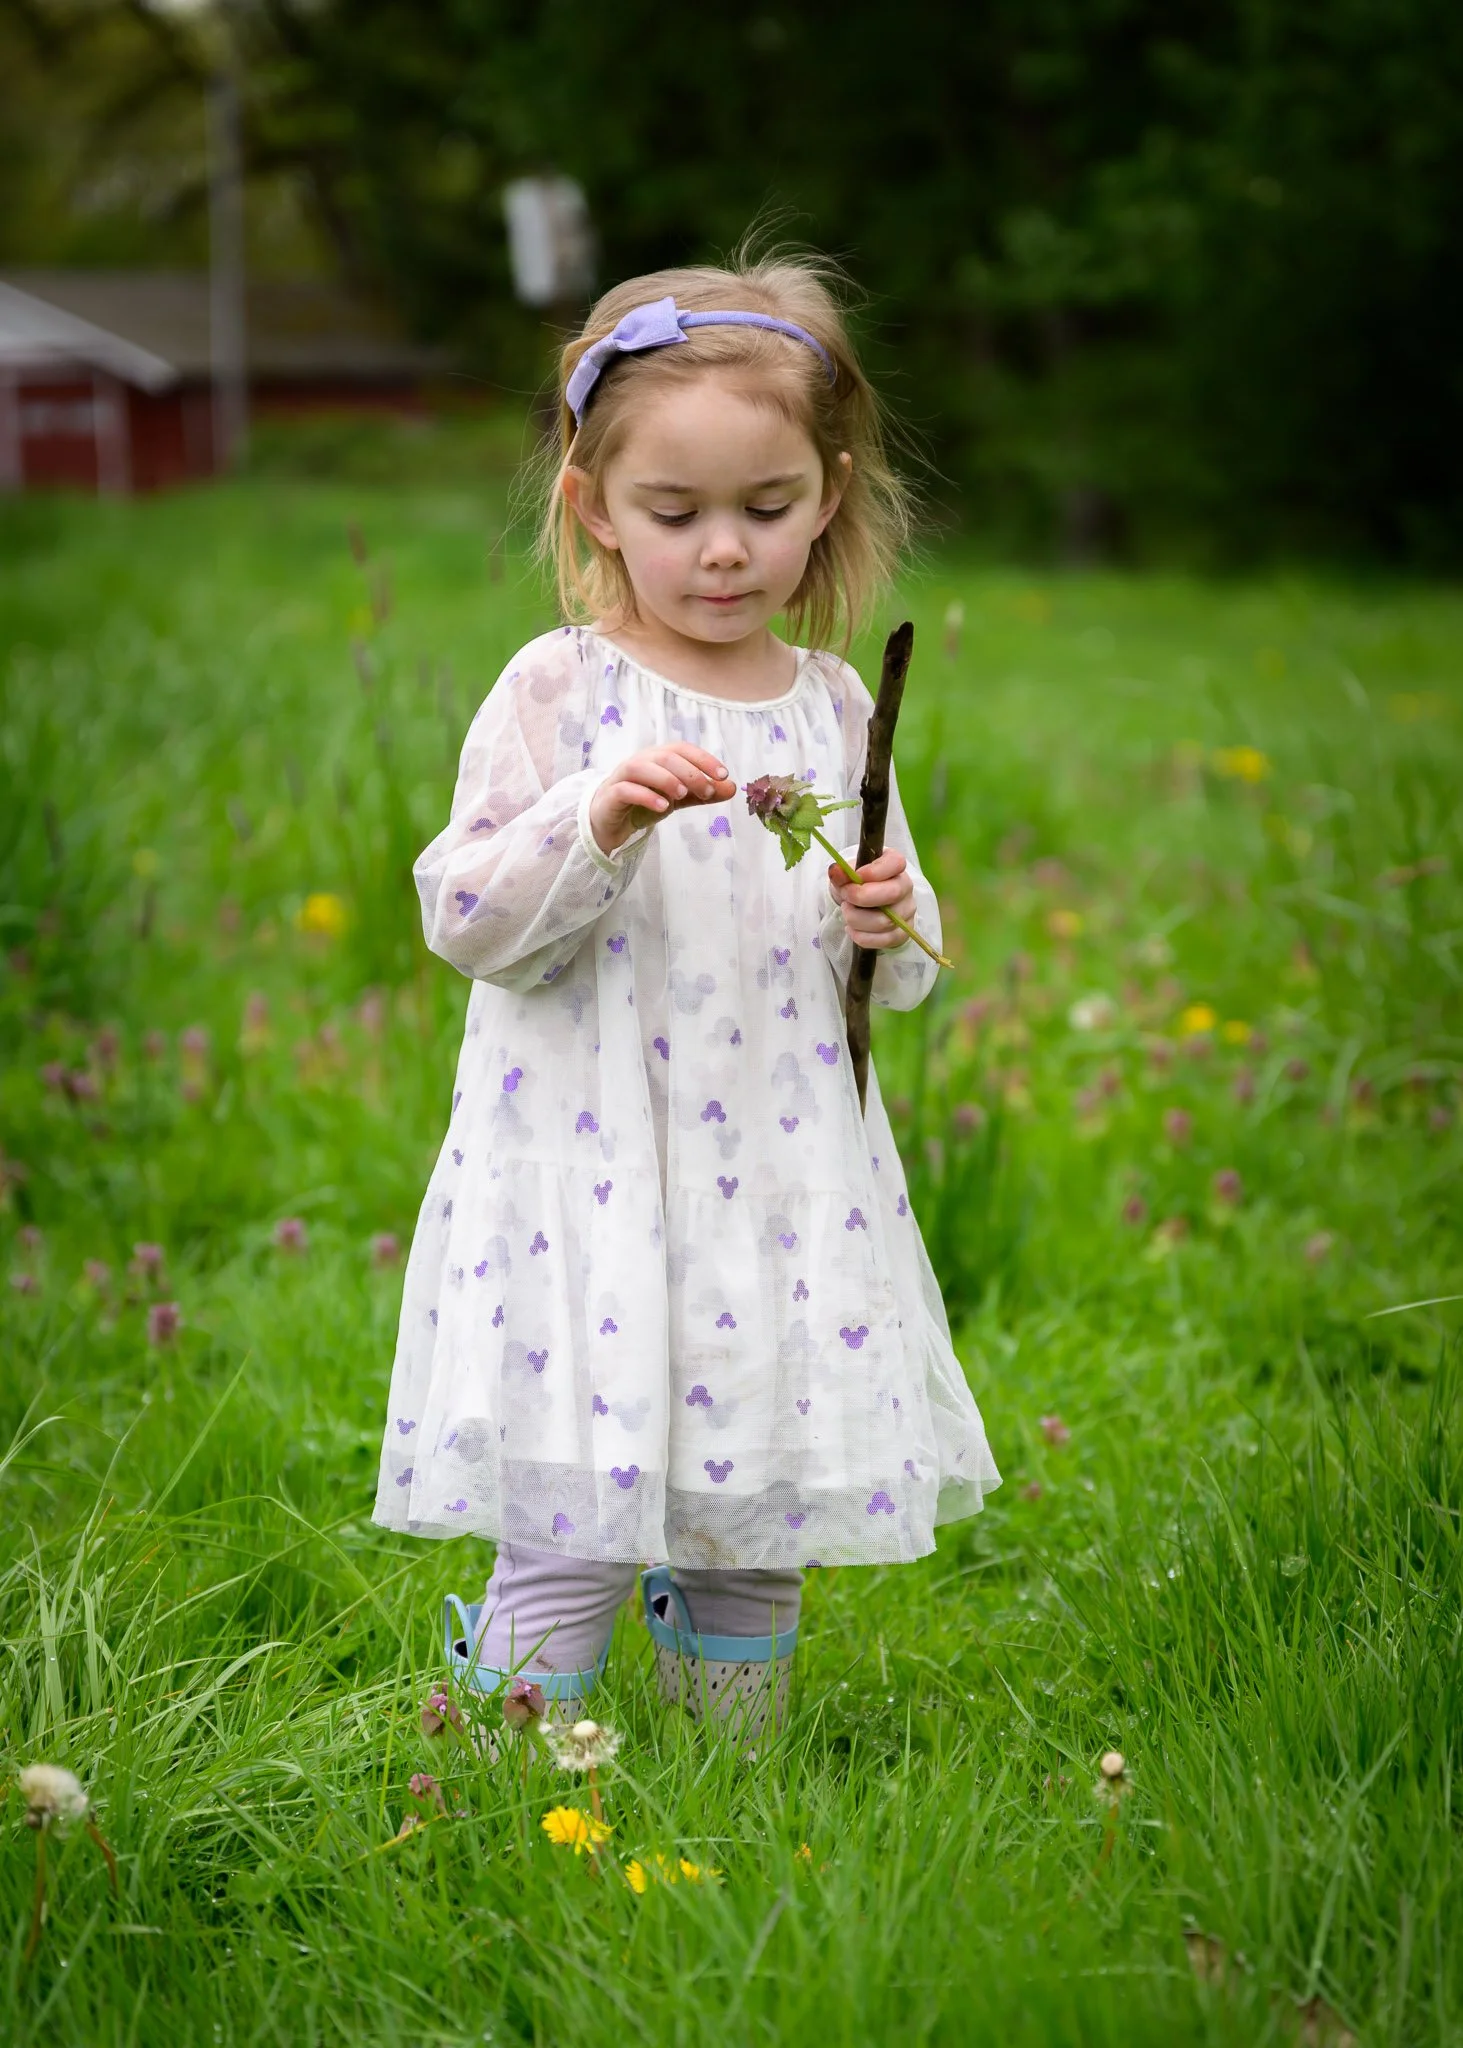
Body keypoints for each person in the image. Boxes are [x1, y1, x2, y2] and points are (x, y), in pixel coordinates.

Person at [373, 242, 1000, 1738]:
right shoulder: (560, 689)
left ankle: (737, 1776)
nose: (724, 549)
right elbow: (466, 917)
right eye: (676, 513)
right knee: (574, 1521)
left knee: (760, 1504)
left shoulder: (835, 703)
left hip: (777, 1180)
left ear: (827, 497)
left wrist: (888, 916)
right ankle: (516, 1789)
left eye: (765, 510)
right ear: (594, 507)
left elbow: (903, 968)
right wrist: (593, 817)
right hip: (587, 1171)